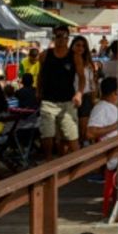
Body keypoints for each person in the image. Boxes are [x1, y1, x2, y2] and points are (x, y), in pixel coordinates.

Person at [38, 25, 79, 158]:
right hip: (48, 100)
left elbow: (82, 78)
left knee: (71, 136)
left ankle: (77, 164)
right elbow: (40, 75)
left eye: (64, 37)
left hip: (67, 100)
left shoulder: (74, 56)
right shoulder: (45, 55)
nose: (61, 39)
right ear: (54, 38)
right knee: (47, 134)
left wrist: (79, 93)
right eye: (58, 36)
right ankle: (49, 162)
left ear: (68, 39)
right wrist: (38, 91)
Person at [87, 77, 118, 171]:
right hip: (116, 152)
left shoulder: (112, 107)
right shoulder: (101, 108)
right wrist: (116, 126)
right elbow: (91, 133)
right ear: (116, 92)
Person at [69, 36, 98, 144]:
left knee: (83, 128)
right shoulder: (68, 61)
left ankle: (82, 149)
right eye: (78, 45)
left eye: (83, 46)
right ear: (72, 46)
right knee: (71, 129)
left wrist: (94, 98)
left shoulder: (89, 63)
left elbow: (92, 82)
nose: (80, 48)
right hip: (70, 96)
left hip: (85, 96)